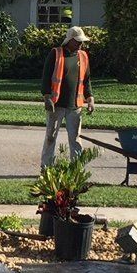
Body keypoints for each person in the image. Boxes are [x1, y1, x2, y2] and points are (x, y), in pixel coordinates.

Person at [39, 26, 94, 167]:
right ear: (69, 40)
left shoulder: (83, 56)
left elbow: (86, 80)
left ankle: (76, 168)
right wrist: (47, 97)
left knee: (75, 139)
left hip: (74, 106)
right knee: (50, 137)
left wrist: (90, 98)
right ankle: (46, 167)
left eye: (81, 42)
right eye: (77, 41)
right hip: (56, 105)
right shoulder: (56, 54)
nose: (80, 44)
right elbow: (46, 78)